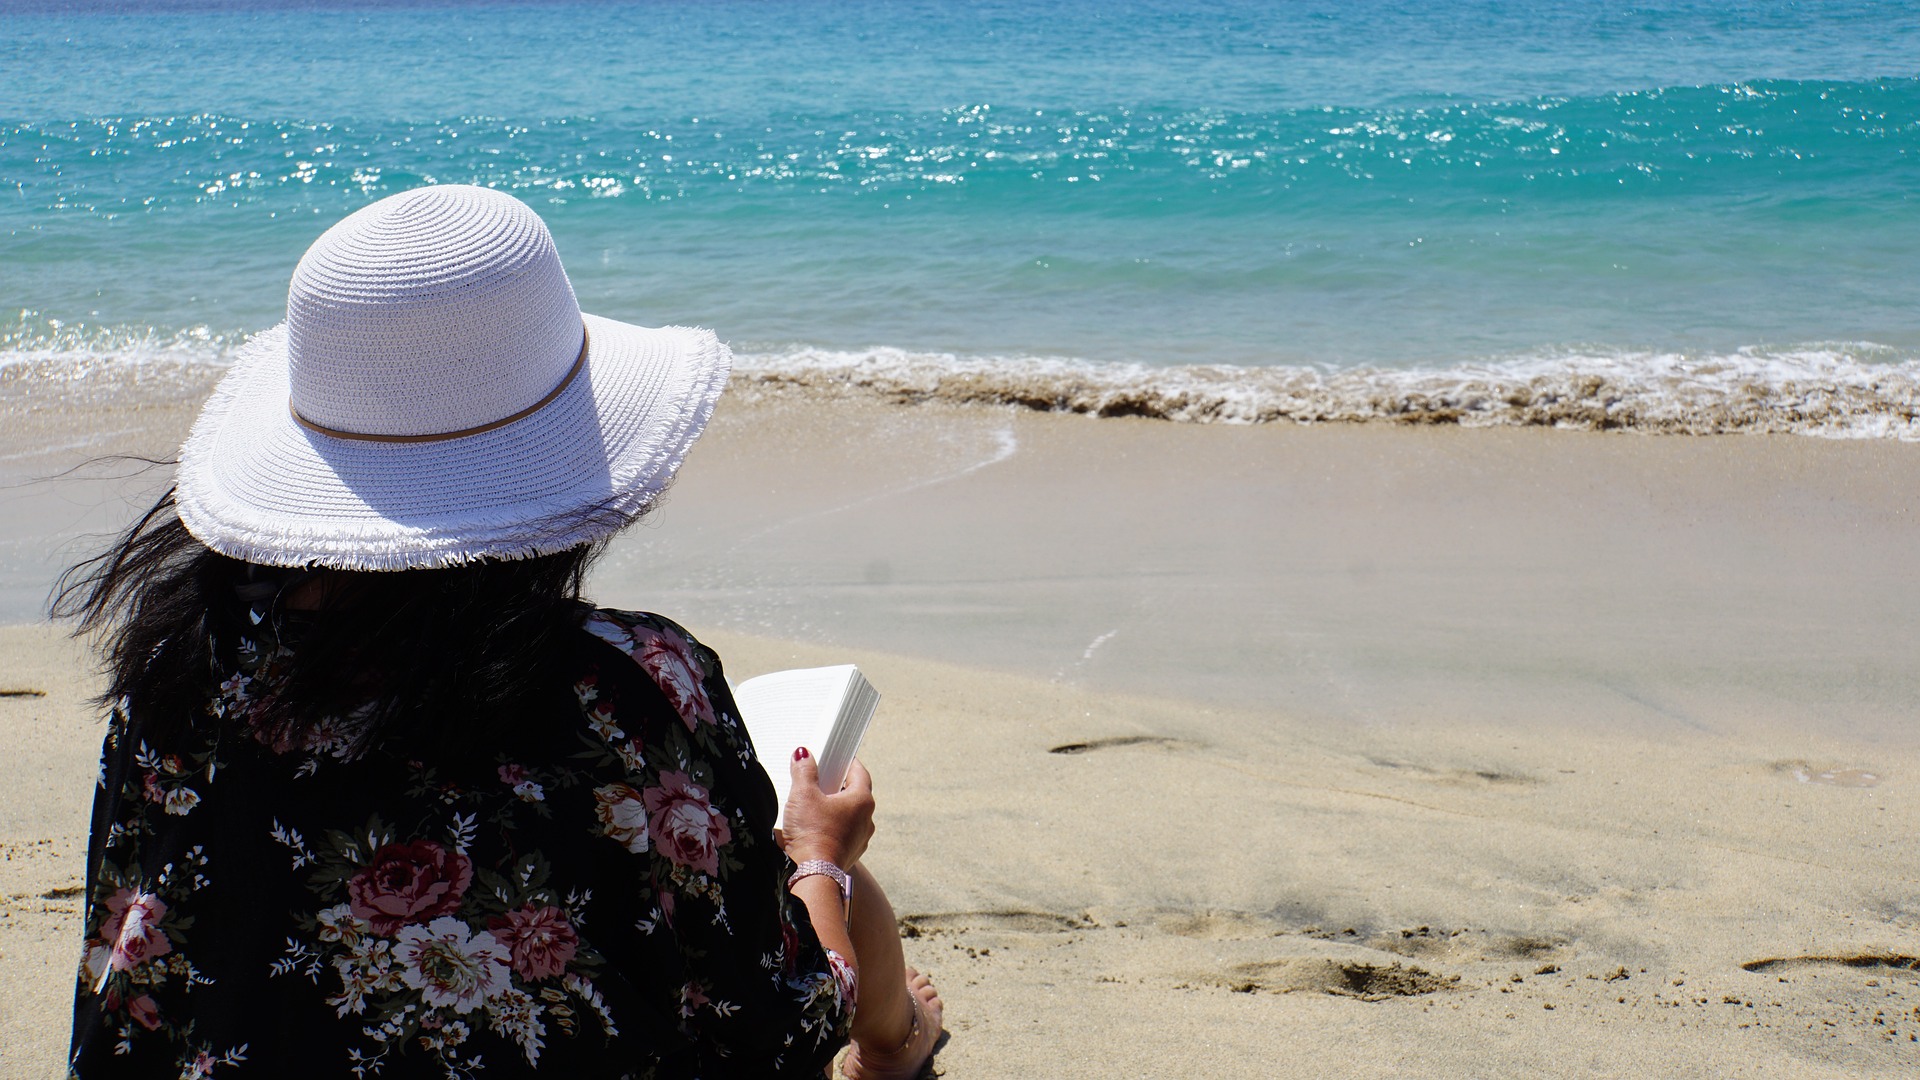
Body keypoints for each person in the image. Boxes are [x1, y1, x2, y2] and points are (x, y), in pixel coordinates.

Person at [56, 184, 942, 1078]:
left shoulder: (181, 672)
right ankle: (894, 1052)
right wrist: (821, 858)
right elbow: (771, 1019)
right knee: (818, 869)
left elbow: (128, 982)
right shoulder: (624, 688)